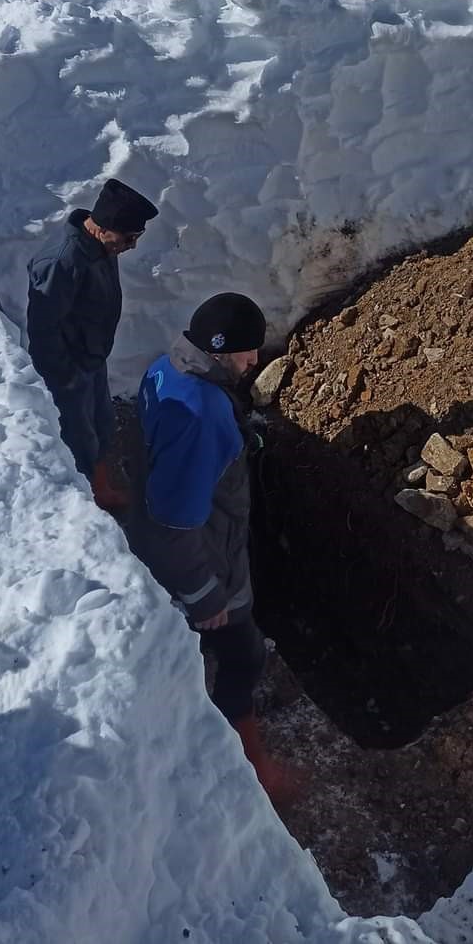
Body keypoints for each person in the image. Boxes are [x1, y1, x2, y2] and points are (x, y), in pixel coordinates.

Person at [128, 292, 303, 807]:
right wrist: (205, 595)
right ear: (221, 349)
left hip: (186, 533)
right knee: (242, 658)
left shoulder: (167, 368)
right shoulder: (202, 415)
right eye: (248, 353)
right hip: (207, 560)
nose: (255, 362)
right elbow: (176, 524)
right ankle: (252, 772)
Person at [26, 179, 158, 506]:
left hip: (91, 359)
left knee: (102, 423)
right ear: (104, 228)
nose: (132, 246)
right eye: (130, 238)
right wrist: (65, 374)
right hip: (69, 368)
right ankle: (87, 500)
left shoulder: (101, 247)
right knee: (77, 436)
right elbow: (43, 329)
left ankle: (100, 481)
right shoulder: (62, 262)